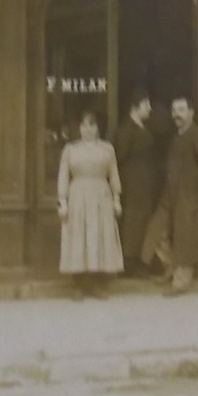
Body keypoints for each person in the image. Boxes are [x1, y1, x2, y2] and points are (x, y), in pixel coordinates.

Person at [56, 110, 124, 300]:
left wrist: (116, 199)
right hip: (78, 194)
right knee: (80, 236)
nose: (88, 129)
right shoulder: (71, 149)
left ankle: (96, 284)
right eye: (84, 125)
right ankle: (79, 284)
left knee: (98, 236)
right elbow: (63, 175)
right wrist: (63, 202)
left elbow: (114, 174)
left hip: (101, 195)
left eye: (92, 125)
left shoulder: (107, 149)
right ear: (79, 128)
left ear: (98, 128)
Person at [163, 96, 198, 296]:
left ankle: (182, 282)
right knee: (161, 232)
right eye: (174, 110)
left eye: (181, 110)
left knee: (187, 236)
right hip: (174, 195)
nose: (177, 114)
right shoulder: (177, 136)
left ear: (191, 113)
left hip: (191, 195)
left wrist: (194, 183)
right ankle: (174, 269)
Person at [113, 93, 160, 275]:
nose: (149, 108)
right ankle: (129, 264)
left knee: (141, 223)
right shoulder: (126, 130)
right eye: (145, 104)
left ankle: (139, 262)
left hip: (143, 186)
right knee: (132, 224)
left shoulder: (141, 128)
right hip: (132, 185)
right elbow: (120, 157)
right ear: (134, 107)